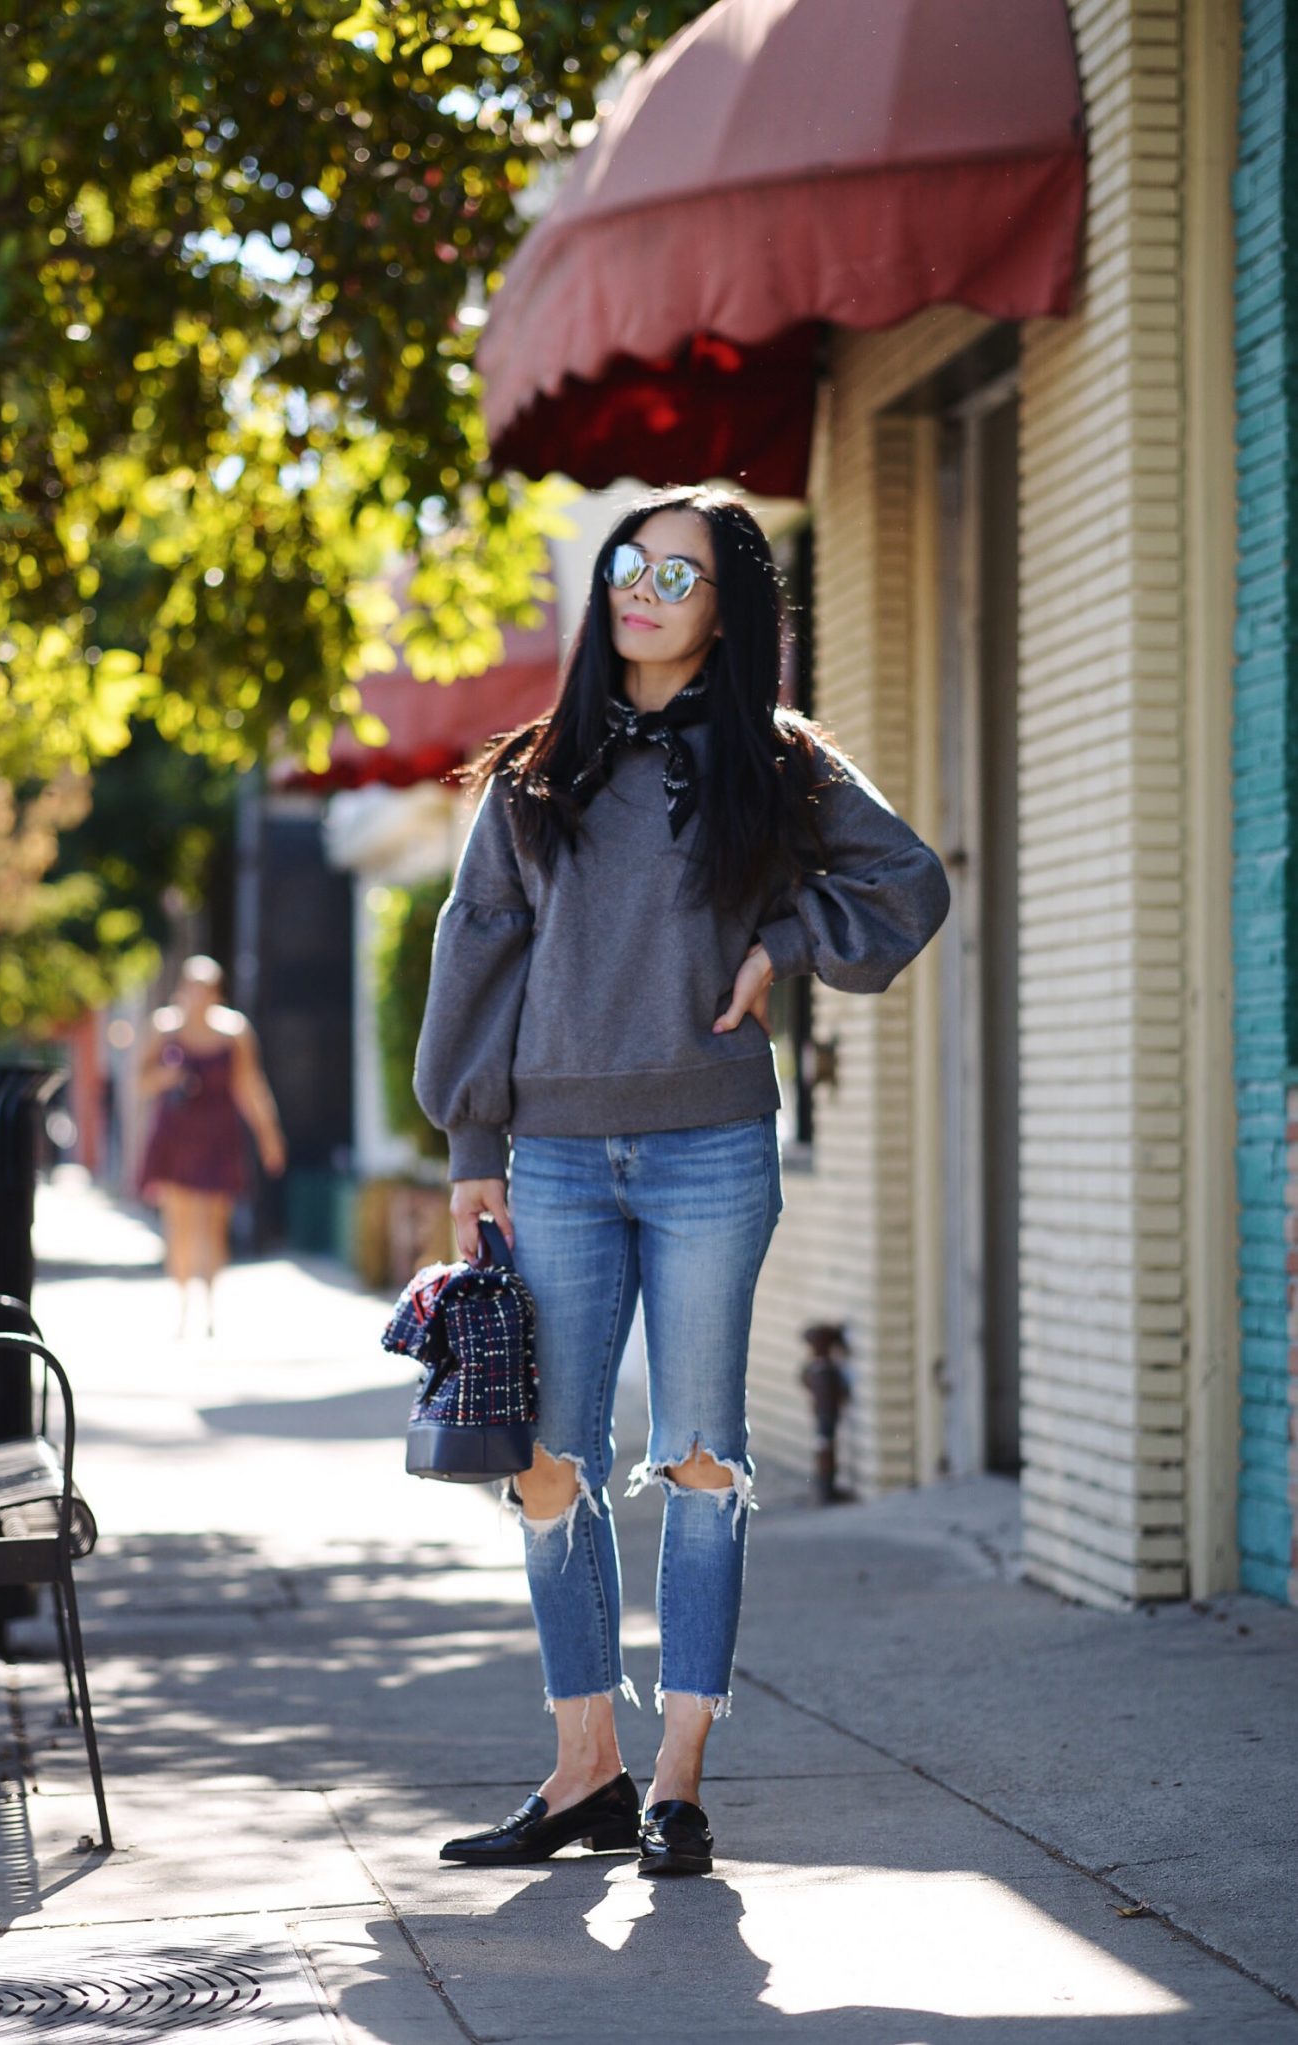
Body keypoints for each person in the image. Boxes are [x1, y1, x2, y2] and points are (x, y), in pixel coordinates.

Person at [415, 486, 950, 1876]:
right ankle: (582, 1762)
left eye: (678, 572)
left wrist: (781, 939)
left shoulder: (774, 763)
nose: (642, 587)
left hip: (714, 1148)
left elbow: (902, 885)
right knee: (544, 1465)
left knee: (703, 1462)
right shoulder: (540, 768)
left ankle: (678, 1778)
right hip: (557, 1160)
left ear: (728, 607)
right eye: (626, 564)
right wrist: (470, 1148)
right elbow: (475, 949)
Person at [138, 955, 286, 1336]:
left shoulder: (234, 1031)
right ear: (184, 989)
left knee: (213, 1224)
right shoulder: (164, 1027)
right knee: (180, 1223)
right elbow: (140, 1082)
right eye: (193, 987)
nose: (199, 996)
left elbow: (250, 1086)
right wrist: (168, 1077)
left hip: (218, 1138)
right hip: (176, 1137)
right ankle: (183, 1303)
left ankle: (209, 1307)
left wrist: (269, 1137)